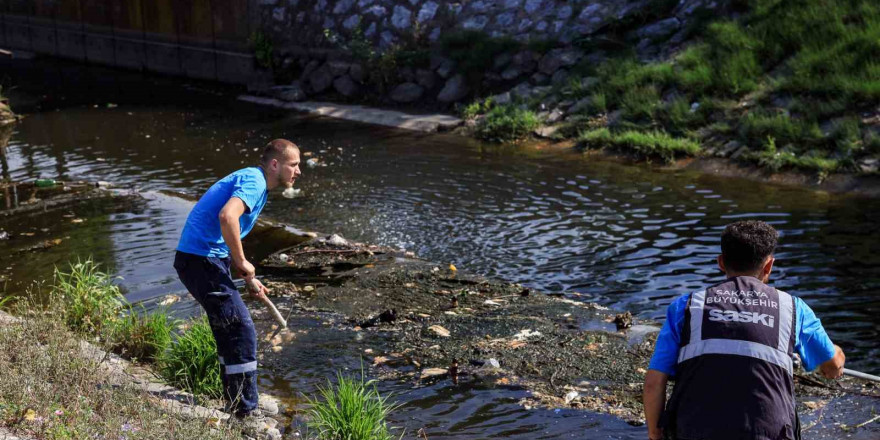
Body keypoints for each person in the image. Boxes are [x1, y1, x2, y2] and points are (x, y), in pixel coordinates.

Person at [643, 220, 845, 440]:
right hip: (768, 433)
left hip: (694, 431)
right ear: (769, 266)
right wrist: (834, 355)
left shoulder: (686, 306)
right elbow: (832, 364)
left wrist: (655, 432)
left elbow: (655, 381)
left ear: (721, 262)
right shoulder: (793, 308)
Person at [173, 139, 301, 419]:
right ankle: (246, 412)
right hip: (199, 260)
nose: (298, 171)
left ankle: (235, 404)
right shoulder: (255, 182)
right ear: (275, 164)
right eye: (294, 164)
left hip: (203, 259)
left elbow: (222, 237)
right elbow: (227, 216)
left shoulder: (255, 183)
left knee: (229, 331)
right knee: (242, 331)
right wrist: (242, 261)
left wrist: (246, 277)